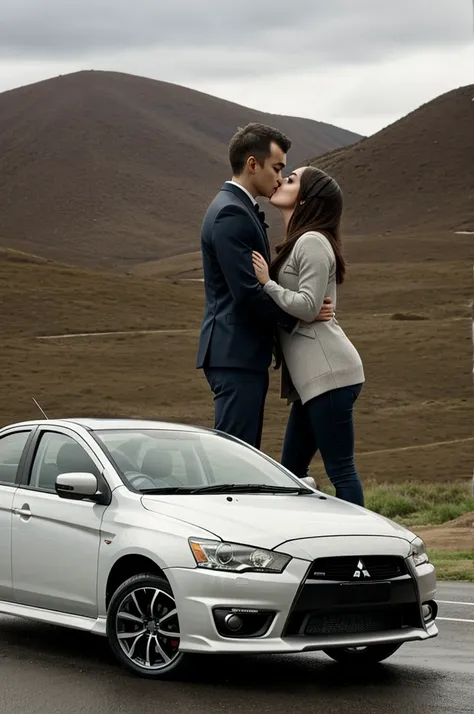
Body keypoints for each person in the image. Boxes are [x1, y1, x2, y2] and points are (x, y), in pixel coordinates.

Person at [196, 124, 334, 449]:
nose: (279, 177)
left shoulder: (238, 208)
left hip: (240, 354)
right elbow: (246, 294)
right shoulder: (231, 212)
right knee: (234, 458)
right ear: (252, 165)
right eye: (277, 168)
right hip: (235, 354)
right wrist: (304, 314)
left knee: (242, 456)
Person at [251, 166, 365, 506]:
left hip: (330, 375)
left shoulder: (312, 241)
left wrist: (267, 284)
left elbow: (308, 305)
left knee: (341, 470)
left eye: (292, 179)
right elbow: (310, 306)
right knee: (291, 471)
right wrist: (299, 305)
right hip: (312, 383)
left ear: (306, 198)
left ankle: (360, 551)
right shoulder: (300, 242)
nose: (283, 180)